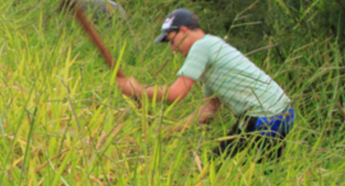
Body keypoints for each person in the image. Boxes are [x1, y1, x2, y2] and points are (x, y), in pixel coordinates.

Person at [116, 9, 294, 159]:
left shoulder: (201, 47)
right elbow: (208, 110)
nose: (172, 48)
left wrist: (137, 89)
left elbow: (176, 94)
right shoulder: (211, 49)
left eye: (172, 40)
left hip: (263, 117)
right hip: (283, 112)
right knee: (263, 174)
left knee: (214, 166)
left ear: (184, 31)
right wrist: (168, 131)